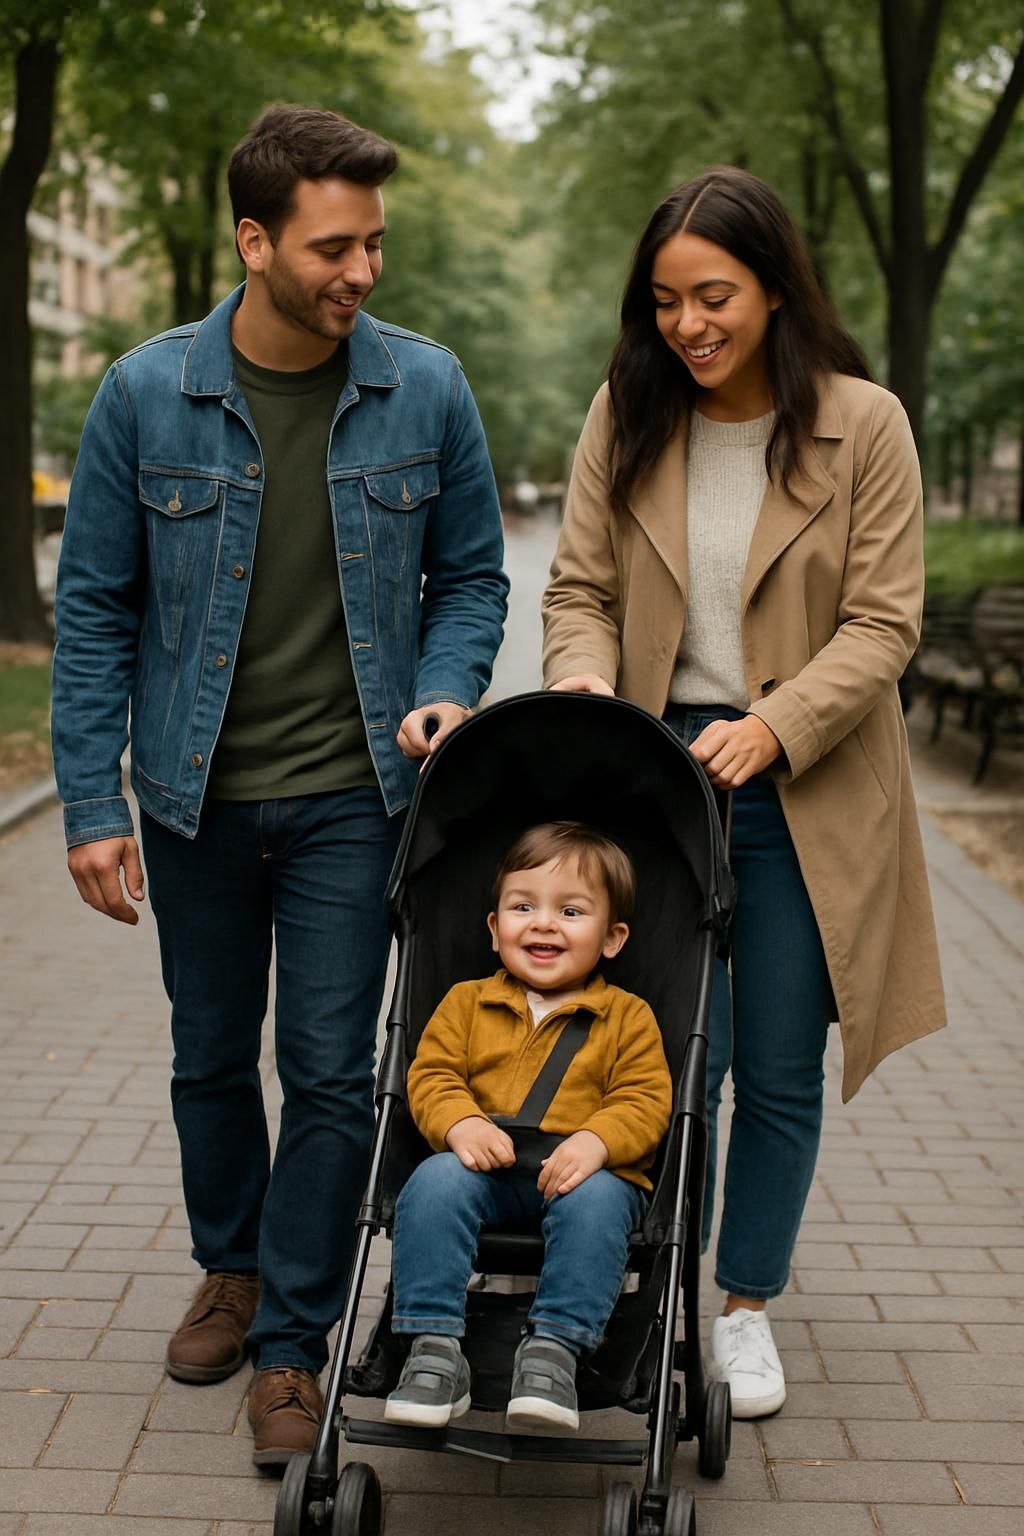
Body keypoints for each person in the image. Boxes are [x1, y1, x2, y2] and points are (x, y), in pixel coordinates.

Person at [51, 104, 508, 1466]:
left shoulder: (426, 386)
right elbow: (93, 611)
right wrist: (89, 805)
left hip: (355, 794)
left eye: (374, 242)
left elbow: (475, 574)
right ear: (254, 241)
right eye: (332, 246)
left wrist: (450, 681)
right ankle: (232, 1267)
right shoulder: (144, 394)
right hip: (191, 801)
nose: (362, 270)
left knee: (327, 1073)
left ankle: (293, 1342)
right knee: (207, 1058)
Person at [542, 167, 946, 1420]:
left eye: (712, 294)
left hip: (805, 788)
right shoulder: (627, 414)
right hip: (653, 786)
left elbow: (884, 624)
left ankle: (744, 1306)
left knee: (770, 1066)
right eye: (664, 300)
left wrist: (772, 726)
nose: (688, 324)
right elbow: (577, 594)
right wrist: (591, 697)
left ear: (773, 288)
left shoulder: (864, 423)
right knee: (659, 1062)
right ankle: (637, 1278)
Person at [382, 822, 671, 1432]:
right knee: (433, 1182)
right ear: (494, 928)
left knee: (599, 1202)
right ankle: (433, 1349)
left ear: (612, 938)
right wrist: (459, 1122)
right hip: (483, 1169)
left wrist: (598, 1140)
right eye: (522, 907)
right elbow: (430, 1074)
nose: (543, 924)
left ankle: (554, 1352)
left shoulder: (626, 1017)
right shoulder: (466, 1002)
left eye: (570, 911)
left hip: (581, 1175)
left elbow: (645, 1099)